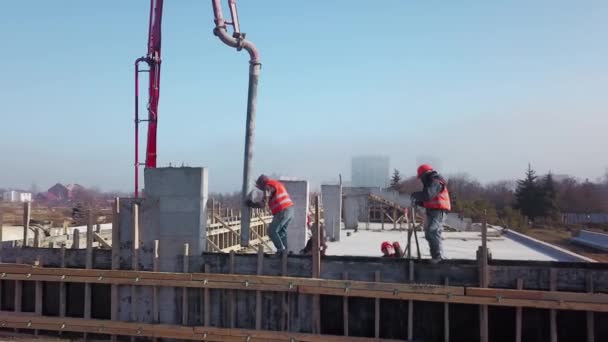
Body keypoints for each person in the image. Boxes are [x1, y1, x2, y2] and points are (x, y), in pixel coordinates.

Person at [410, 164, 451, 263]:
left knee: (433, 231)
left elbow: (428, 195)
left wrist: (415, 195)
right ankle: (435, 256)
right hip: (432, 211)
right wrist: (419, 202)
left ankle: (438, 257)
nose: (420, 180)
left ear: (425, 175)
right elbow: (427, 199)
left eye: (421, 177)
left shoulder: (435, 181)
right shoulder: (429, 183)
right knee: (428, 232)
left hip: (438, 211)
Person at [247, 175, 294, 254]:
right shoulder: (276, 184)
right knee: (281, 232)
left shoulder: (268, 187)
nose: (260, 189)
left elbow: (263, 204)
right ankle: (286, 251)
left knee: (271, 231)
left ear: (262, 183)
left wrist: (251, 204)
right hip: (290, 210)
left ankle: (281, 250)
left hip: (282, 210)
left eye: (259, 187)